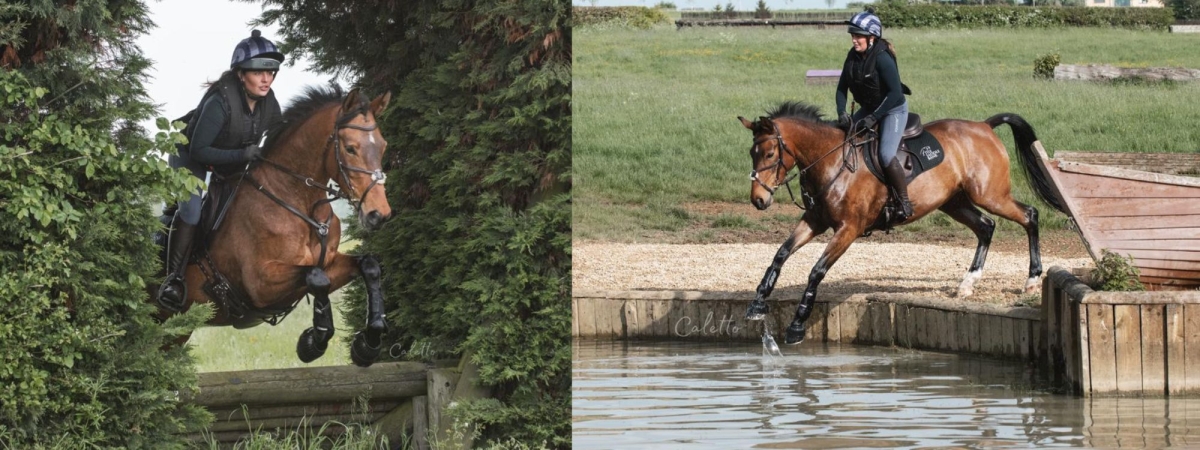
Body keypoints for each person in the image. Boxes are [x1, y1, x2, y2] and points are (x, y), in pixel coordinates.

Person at [156, 30, 284, 311]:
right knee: (191, 209)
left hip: (227, 158)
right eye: (259, 72)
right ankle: (174, 280)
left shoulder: (269, 102)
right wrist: (243, 154)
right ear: (241, 74)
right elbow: (200, 151)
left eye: (271, 72)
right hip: (190, 154)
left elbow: (280, 136)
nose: (267, 79)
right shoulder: (219, 103)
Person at [834, 10, 913, 221]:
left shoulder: (882, 58)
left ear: (872, 38)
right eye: (853, 35)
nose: (854, 39)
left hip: (893, 109)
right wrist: (841, 113)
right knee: (842, 139)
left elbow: (896, 94)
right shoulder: (852, 56)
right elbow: (842, 88)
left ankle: (904, 201)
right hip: (869, 109)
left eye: (858, 36)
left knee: (886, 155)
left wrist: (874, 117)